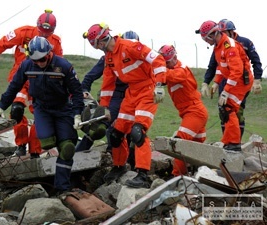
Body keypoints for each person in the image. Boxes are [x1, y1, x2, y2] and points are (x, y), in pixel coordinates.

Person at [0, 36, 84, 194]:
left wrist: (77, 114)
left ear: (49, 53)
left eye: (43, 59)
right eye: (36, 60)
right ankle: (57, 145)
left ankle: (62, 188)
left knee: (67, 149)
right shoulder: (27, 65)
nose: (40, 63)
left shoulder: (64, 66)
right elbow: (13, 87)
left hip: (62, 109)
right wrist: (1, 107)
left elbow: (77, 92)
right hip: (42, 109)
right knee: (46, 141)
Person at [83, 23, 167, 188]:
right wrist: (105, 108)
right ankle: (119, 166)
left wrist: (159, 84)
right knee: (116, 133)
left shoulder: (130, 46)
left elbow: (157, 58)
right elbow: (108, 84)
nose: (98, 48)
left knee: (137, 132)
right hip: (131, 94)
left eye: (96, 45)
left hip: (147, 90)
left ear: (101, 41)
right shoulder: (109, 57)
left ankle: (143, 174)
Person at [0, 9, 63, 159]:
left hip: (40, 83)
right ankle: (21, 145)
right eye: (41, 31)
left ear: (53, 31)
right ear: (37, 26)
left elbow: (59, 64)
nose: (43, 35)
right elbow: (4, 42)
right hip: (20, 79)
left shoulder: (55, 42)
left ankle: (35, 152)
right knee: (16, 110)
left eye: (47, 33)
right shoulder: (24, 32)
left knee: (40, 117)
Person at [76, 30, 140, 170]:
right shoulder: (108, 58)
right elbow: (90, 76)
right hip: (114, 96)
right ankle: (79, 155)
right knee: (101, 125)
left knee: (133, 130)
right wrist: (84, 90)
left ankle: (132, 164)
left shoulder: (139, 55)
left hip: (134, 96)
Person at [198, 19, 263, 138]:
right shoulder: (219, 46)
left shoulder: (238, 44)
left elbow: (245, 66)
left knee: (231, 109)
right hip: (228, 80)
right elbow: (218, 66)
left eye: (206, 39)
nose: (206, 42)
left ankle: (234, 142)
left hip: (240, 81)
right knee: (224, 109)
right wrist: (212, 83)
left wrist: (257, 79)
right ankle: (228, 140)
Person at [157, 45, 208, 176]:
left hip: (194, 112)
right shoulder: (172, 69)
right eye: (164, 63)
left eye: (167, 62)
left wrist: (157, 71)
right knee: (195, 148)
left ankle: (177, 176)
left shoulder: (181, 70)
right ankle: (197, 174)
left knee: (179, 143)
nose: (166, 65)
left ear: (175, 57)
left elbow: (171, 76)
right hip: (192, 112)